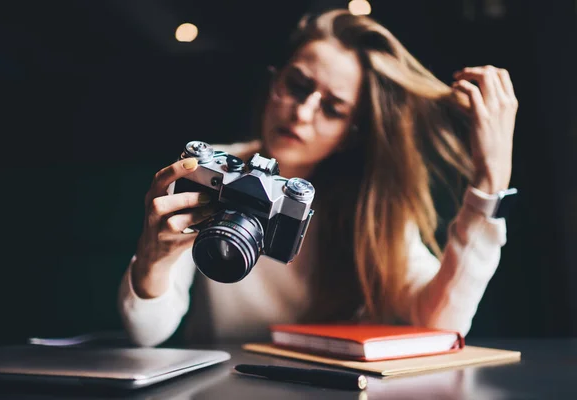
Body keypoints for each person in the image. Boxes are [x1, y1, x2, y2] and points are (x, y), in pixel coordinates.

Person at [118, 9, 519, 347]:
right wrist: (152, 259)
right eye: (297, 85)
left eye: (333, 108)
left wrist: (489, 185)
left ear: (350, 134)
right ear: (274, 81)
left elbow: (443, 324)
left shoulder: (373, 205)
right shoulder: (208, 174)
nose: (302, 113)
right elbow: (148, 333)